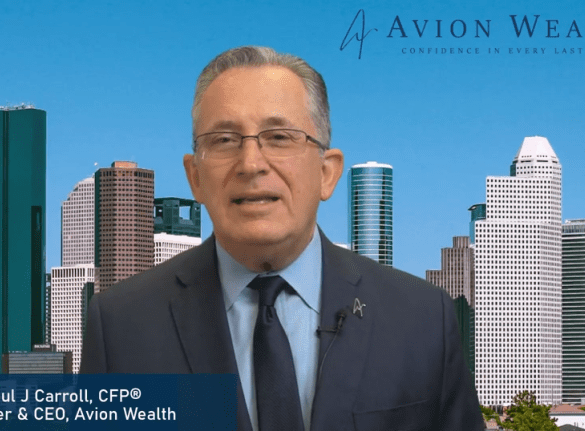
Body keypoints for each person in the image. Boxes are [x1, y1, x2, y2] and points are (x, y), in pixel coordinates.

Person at [80, 46, 484, 430]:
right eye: (224, 140)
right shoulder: (119, 326)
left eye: (279, 137)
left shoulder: (423, 319)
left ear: (327, 172)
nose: (251, 163)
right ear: (195, 177)